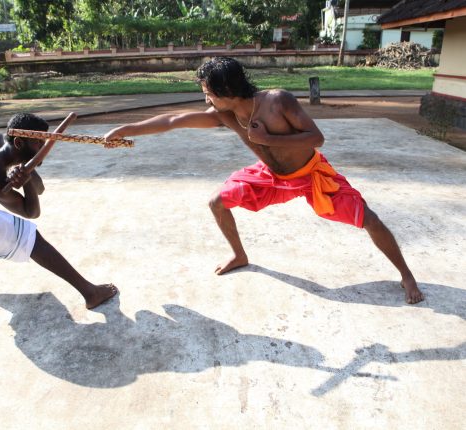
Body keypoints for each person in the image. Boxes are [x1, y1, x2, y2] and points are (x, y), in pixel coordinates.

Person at [104, 57, 423, 304]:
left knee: (371, 219)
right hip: (271, 177)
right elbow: (174, 121)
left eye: (208, 93)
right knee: (217, 202)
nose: (206, 101)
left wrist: (268, 139)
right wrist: (126, 130)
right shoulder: (225, 115)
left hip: (311, 174)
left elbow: (317, 138)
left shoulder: (277, 101)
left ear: (226, 91)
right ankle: (239, 255)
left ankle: (406, 275)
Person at [0, 113, 117, 309]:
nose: (45, 148)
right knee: (29, 236)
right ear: (20, 142)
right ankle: (90, 293)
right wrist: (26, 180)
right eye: (39, 143)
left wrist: (26, 174)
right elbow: (31, 212)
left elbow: (40, 189)